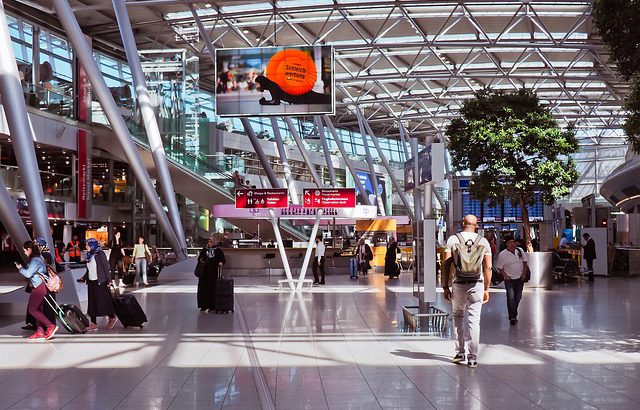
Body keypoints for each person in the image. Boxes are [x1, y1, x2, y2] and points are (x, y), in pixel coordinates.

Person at [442, 214, 492, 368]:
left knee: (458, 316)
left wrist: (445, 286)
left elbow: (445, 264)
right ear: (476, 225)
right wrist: (487, 288)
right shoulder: (483, 242)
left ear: (463, 223)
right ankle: (473, 357)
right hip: (477, 283)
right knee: (474, 320)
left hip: (458, 283)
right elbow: (488, 267)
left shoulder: (452, 240)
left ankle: (459, 352)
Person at [15, 241, 59, 342]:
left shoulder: (35, 260)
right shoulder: (39, 258)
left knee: (32, 310)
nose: (25, 252)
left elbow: (28, 274)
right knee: (38, 310)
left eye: (25, 250)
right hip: (40, 287)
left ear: (29, 249)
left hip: (38, 288)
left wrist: (20, 268)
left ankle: (50, 326)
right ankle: (39, 331)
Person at [84, 238, 117, 331]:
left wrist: (109, 281)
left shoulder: (100, 254)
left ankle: (112, 317)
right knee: (92, 302)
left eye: (87, 245)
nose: (86, 247)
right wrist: (84, 277)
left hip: (100, 281)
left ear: (92, 245)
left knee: (103, 301)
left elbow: (106, 268)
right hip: (91, 281)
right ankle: (93, 323)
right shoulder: (89, 255)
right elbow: (89, 269)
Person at [496, 236, 529, 325]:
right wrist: (505, 275)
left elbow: (525, 262)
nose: (512, 244)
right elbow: (500, 268)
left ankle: (514, 312)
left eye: (513, 242)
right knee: (511, 297)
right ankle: (512, 317)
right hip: (509, 279)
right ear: (506, 244)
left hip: (520, 278)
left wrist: (523, 274)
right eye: (510, 242)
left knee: (518, 297)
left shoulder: (520, 251)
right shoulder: (503, 254)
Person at [197, 236, 226, 312]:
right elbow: (200, 259)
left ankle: (212, 306)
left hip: (213, 273)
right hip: (204, 274)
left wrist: (221, 263)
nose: (209, 243)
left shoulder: (218, 250)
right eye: (208, 242)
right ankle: (204, 305)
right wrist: (201, 260)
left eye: (211, 242)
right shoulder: (205, 250)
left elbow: (222, 259)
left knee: (213, 289)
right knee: (204, 289)